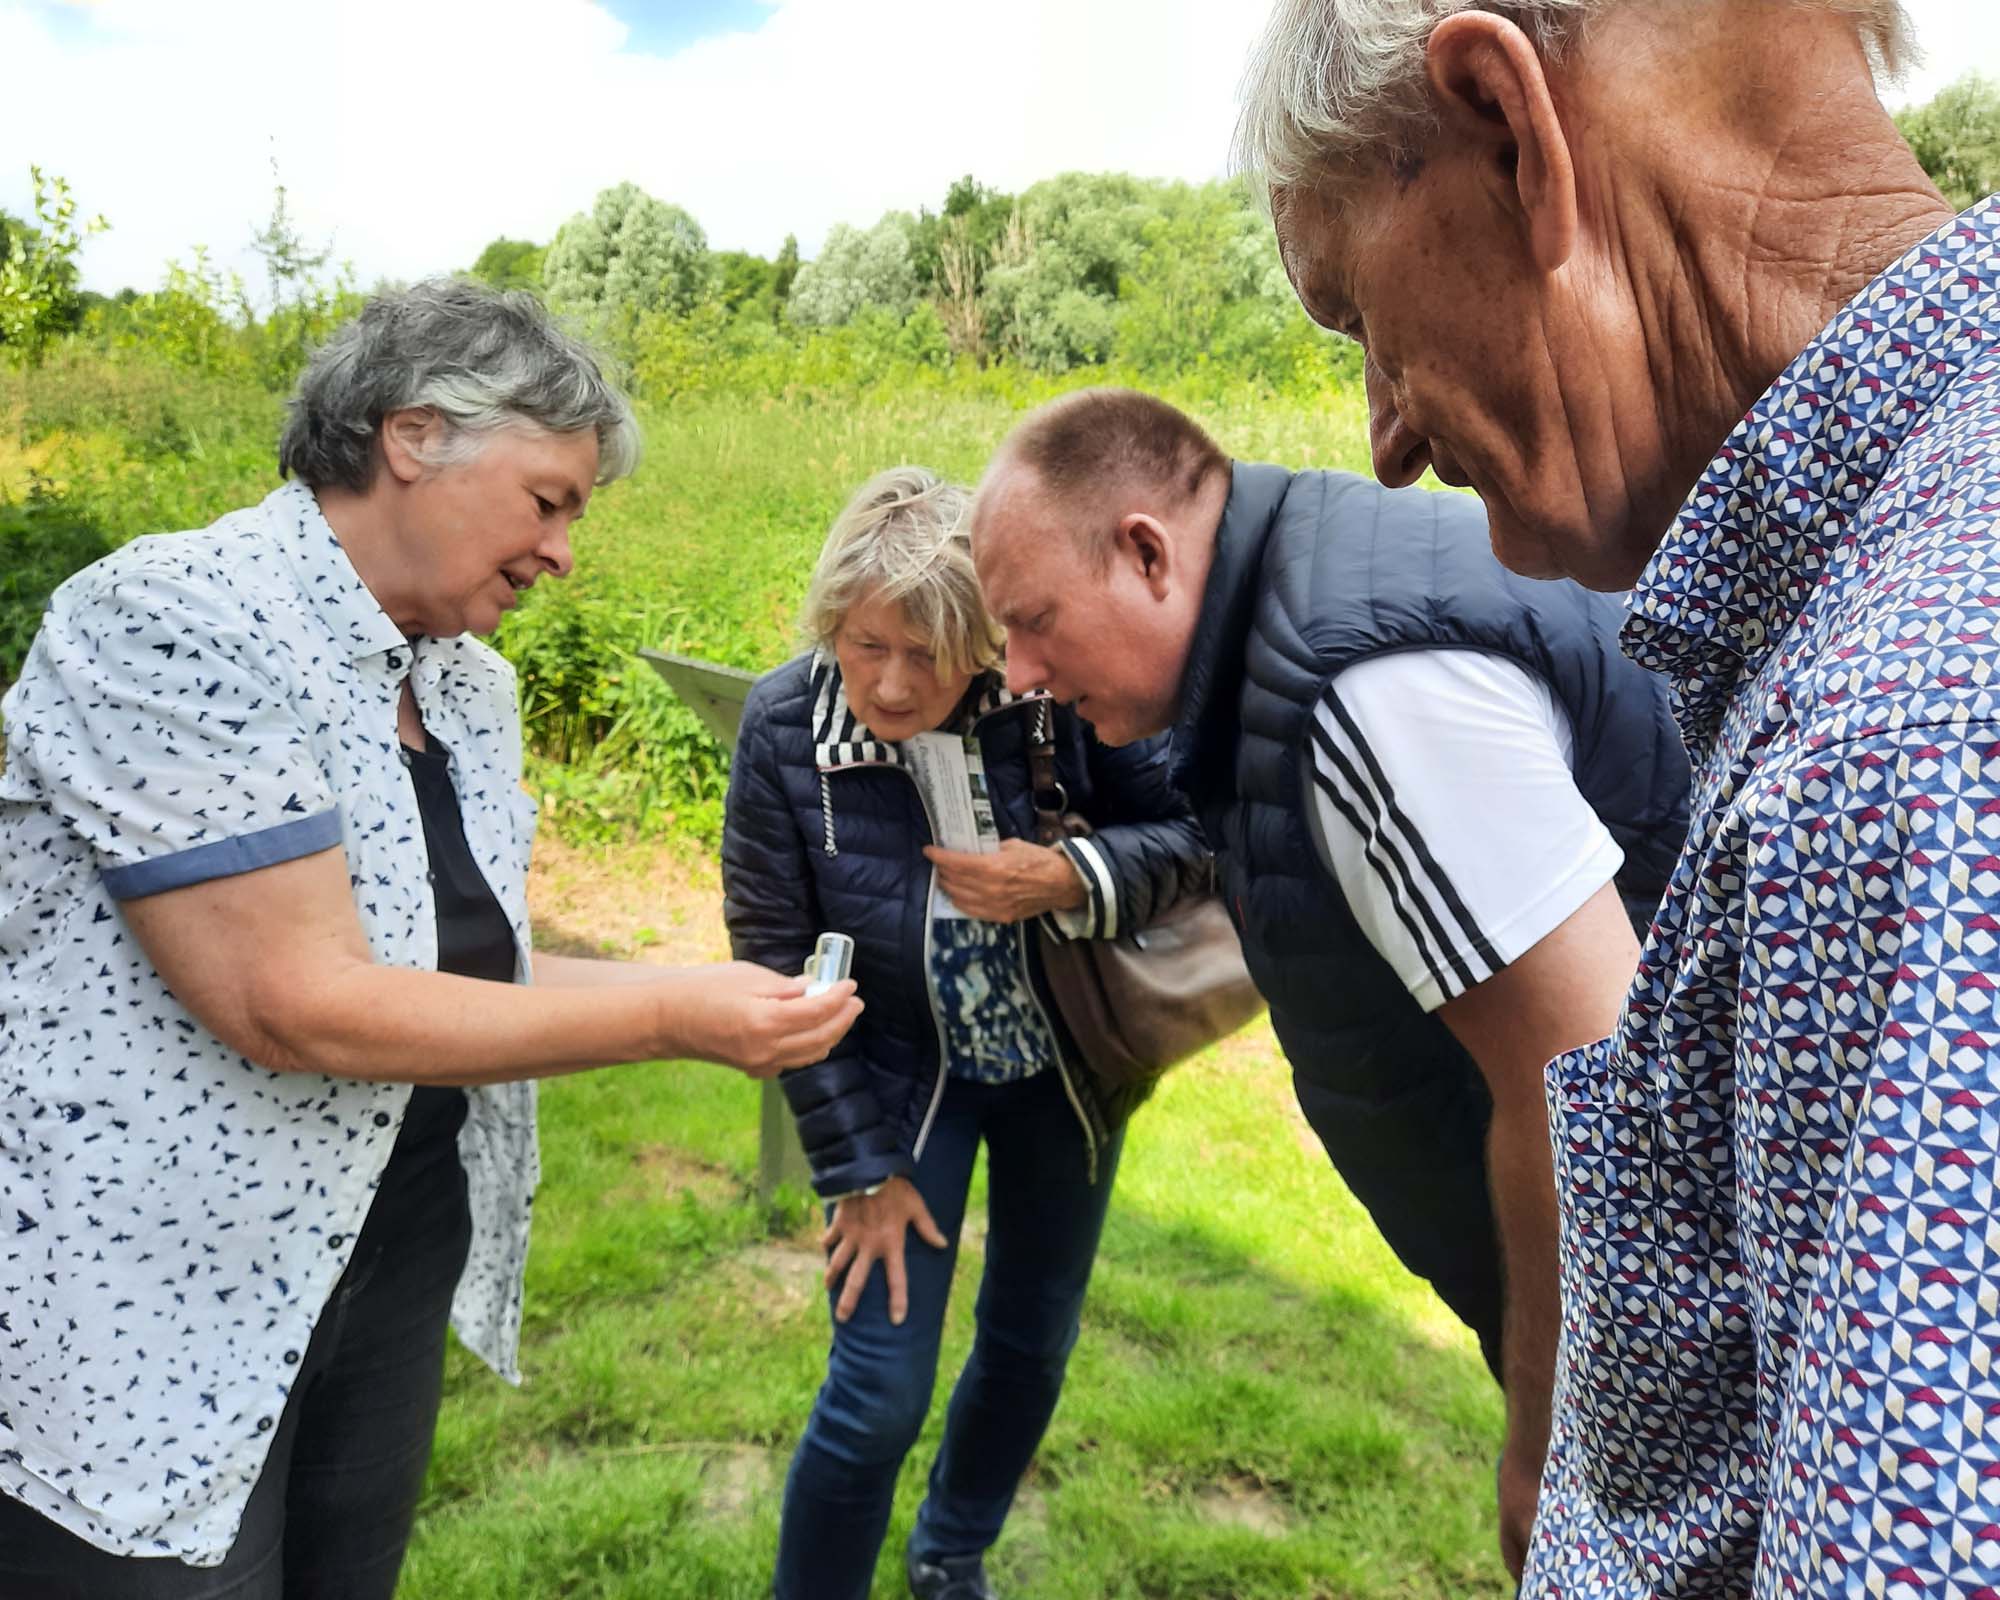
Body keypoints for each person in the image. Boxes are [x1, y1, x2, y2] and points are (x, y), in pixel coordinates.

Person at [1236, 0, 2000, 1591]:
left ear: (1512, 133)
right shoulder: (1880, 599)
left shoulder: (1914, 732)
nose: (1380, 435)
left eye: (1358, 316)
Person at [0, 279, 860, 1599]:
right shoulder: (177, 620)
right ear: (413, 437)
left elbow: (472, 969)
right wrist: (676, 1024)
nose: (564, 551)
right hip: (151, 1291)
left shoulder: (461, 683)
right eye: (549, 500)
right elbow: (293, 1002)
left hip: (387, 1246)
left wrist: (703, 979)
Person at [971, 386, 1690, 1576]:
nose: (1021, 672)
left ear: (1146, 552)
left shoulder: (1361, 694)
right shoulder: (1295, 624)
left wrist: (1551, 1444)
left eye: (1034, 622)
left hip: (1690, 1376)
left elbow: (1581, 1084)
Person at [722, 466, 1209, 1600]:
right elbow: (772, 953)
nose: (890, 683)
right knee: (875, 1395)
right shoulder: (783, 726)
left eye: (927, 654)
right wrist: (857, 1164)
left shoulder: (1061, 692)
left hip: (1064, 1080)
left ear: (985, 638)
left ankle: (951, 1547)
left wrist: (1073, 873)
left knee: (1032, 1342)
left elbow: (1195, 835)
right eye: (862, 643)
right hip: (896, 1083)